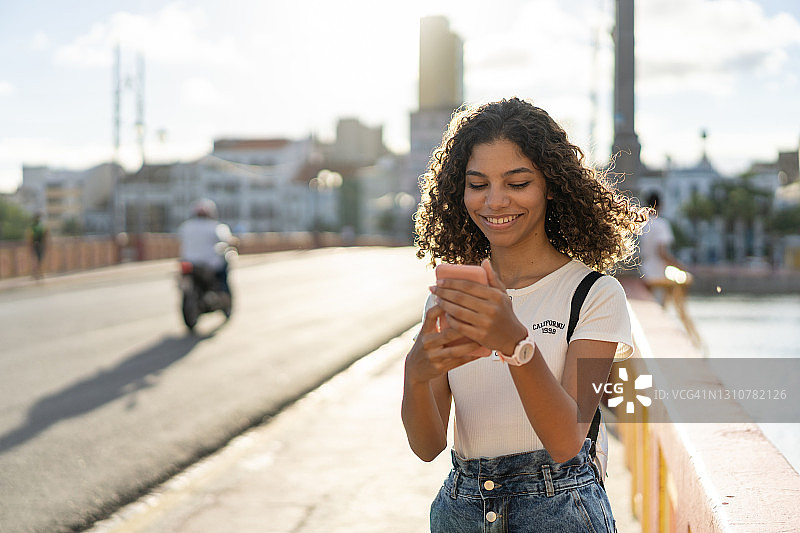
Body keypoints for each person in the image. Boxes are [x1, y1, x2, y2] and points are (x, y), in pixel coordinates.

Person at [401, 98, 647, 532]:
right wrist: (416, 373)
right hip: (461, 510)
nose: (495, 202)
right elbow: (427, 446)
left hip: (560, 511)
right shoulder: (453, 298)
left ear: (550, 185)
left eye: (517, 183)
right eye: (477, 184)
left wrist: (515, 345)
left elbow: (566, 441)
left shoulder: (593, 294)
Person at [178, 199, 235, 295]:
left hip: (188, 262)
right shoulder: (216, 227)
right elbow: (228, 240)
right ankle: (224, 294)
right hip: (210, 263)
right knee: (223, 270)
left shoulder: (186, 226)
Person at [28, 213, 48, 280]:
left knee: (37, 259)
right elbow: (45, 235)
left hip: (37, 244)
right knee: (38, 259)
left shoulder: (34, 226)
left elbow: (31, 236)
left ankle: (37, 274)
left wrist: (30, 245)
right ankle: (38, 274)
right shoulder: (40, 226)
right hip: (39, 244)